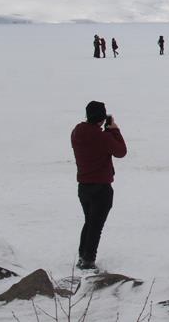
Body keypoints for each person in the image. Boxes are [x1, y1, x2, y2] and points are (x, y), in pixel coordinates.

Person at [71, 101, 127, 270]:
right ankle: (88, 260)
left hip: (83, 186)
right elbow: (121, 151)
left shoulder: (77, 132)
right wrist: (114, 130)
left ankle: (83, 256)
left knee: (89, 222)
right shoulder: (103, 137)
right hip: (101, 188)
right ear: (102, 118)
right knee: (95, 226)